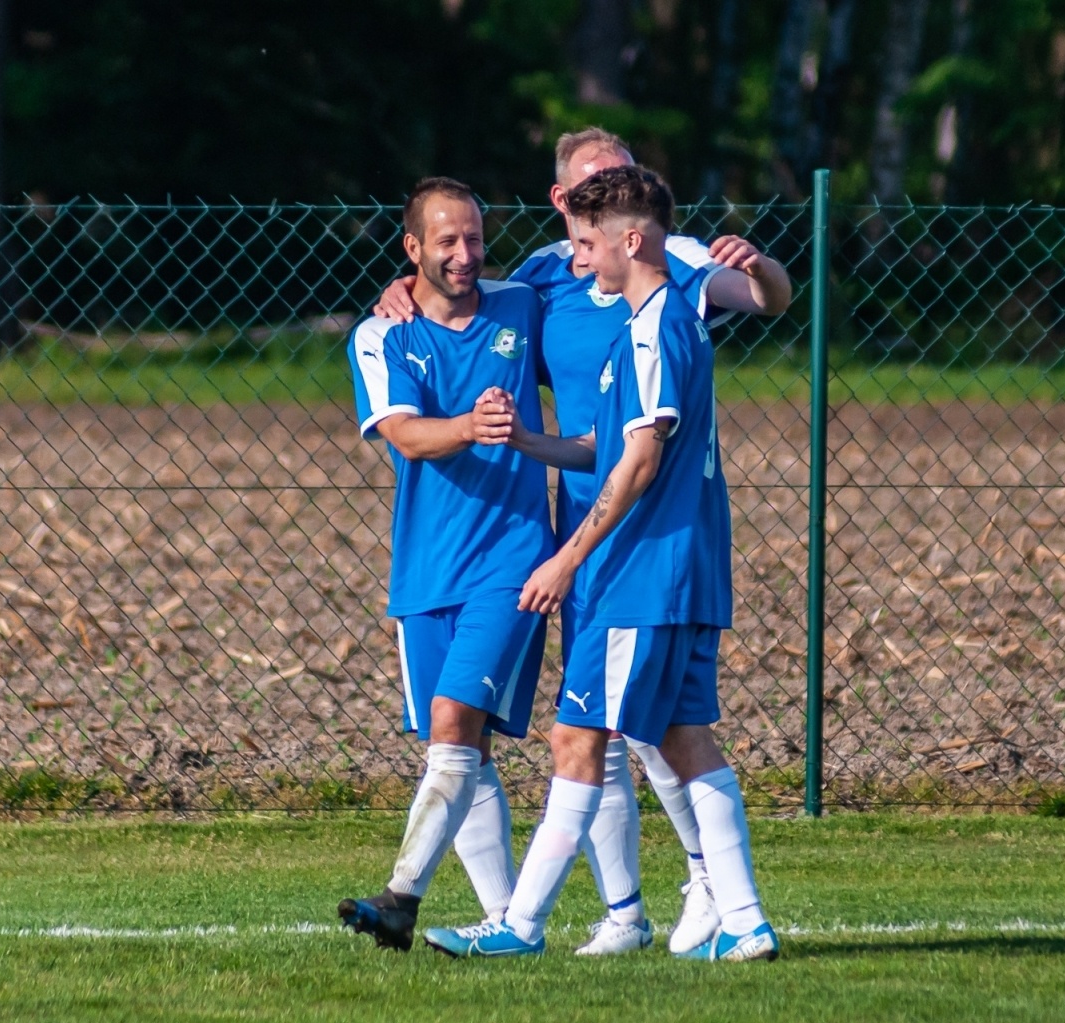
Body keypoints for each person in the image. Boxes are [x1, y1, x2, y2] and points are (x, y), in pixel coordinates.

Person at [375, 129, 790, 956]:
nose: (581, 255)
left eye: (596, 239)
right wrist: (411, 286)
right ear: (562, 204)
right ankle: (733, 917)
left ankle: (524, 926)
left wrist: (565, 556)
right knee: (676, 733)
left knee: (582, 736)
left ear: (627, 235)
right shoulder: (561, 285)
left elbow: (638, 457)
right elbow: (602, 439)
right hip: (649, 556)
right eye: (578, 221)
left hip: (637, 556)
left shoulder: (663, 306)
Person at [336, 176, 554, 951]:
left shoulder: (522, 301)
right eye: (447, 242)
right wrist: (467, 424)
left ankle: (400, 896)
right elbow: (405, 435)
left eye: (474, 238)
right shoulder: (380, 335)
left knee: (454, 720)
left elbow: (609, 264)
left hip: (514, 559)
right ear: (413, 250)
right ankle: (511, 923)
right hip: (427, 569)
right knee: (460, 749)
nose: (465, 255)